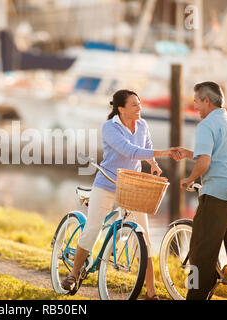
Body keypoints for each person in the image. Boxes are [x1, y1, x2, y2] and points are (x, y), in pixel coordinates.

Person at [61, 89, 180, 299]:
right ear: (121, 108)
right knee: (93, 228)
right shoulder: (110, 127)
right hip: (106, 183)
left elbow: (146, 148)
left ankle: (151, 293)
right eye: (134, 104)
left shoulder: (143, 125)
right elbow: (130, 151)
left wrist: (153, 163)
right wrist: (165, 152)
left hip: (131, 186)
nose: (139, 108)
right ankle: (73, 273)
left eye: (139, 103)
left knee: (144, 238)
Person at [171, 81, 227, 300]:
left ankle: (195, 296)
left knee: (201, 254)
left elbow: (205, 163)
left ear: (207, 101)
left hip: (218, 194)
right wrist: (190, 154)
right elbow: (222, 158)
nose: (195, 106)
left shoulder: (206, 125)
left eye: (196, 101)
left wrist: (189, 179)